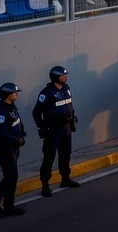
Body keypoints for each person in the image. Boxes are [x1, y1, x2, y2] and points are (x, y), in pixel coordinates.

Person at [33, 65, 80, 196]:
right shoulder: (46, 93)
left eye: (65, 75)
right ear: (55, 78)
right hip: (53, 129)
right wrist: (42, 126)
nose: (65, 78)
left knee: (66, 154)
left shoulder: (66, 88)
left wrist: (71, 120)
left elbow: (70, 105)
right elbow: (36, 112)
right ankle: (45, 186)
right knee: (49, 157)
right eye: (62, 76)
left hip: (66, 127)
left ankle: (65, 179)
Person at [0, 83, 27, 217]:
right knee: (12, 177)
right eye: (14, 92)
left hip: (14, 147)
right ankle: (8, 206)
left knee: (9, 177)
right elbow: (1, 133)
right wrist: (16, 140)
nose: (16, 94)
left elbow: (18, 122)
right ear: (7, 95)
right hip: (4, 149)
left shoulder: (12, 107)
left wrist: (22, 134)